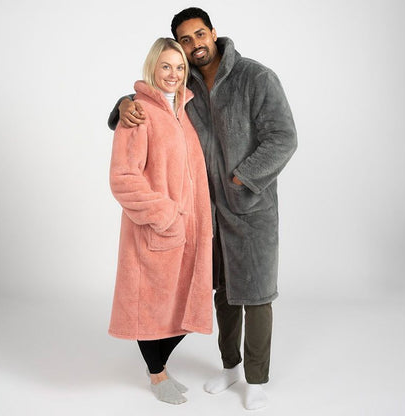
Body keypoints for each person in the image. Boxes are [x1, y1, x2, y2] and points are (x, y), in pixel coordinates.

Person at [108, 7, 297, 410]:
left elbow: (284, 137)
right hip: (206, 215)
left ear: (213, 32)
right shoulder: (188, 84)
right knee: (224, 293)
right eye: (186, 39)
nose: (194, 45)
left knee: (257, 295)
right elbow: (155, 95)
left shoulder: (255, 78)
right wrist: (123, 104)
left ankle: (256, 379)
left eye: (199, 34)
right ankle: (230, 368)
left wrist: (242, 178)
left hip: (251, 209)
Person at [108, 37, 213, 405]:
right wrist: (165, 214)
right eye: (166, 66)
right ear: (153, 66)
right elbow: (123, 178)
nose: (173, 74)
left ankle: (160, 368)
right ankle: (157, 375)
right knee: (149, 307)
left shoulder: (183, 111)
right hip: (156, 229)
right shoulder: (138, 113)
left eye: (180, 67)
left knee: (185, 304)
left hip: (191, 230)